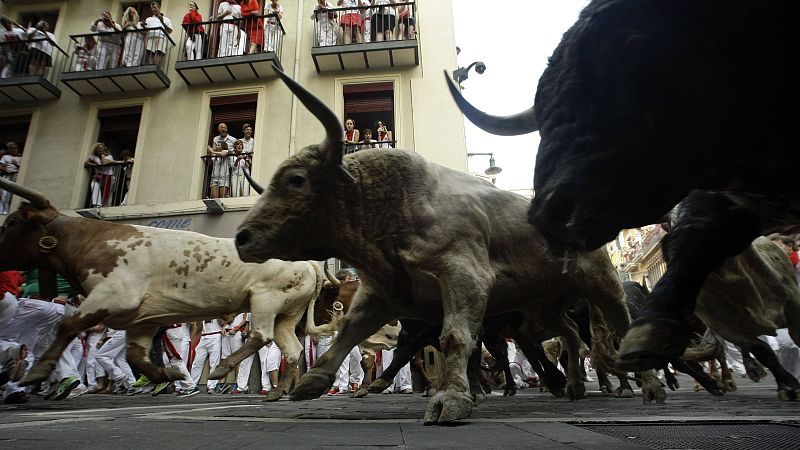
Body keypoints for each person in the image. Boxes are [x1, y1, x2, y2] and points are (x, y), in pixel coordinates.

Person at [84, 143, 120, 208]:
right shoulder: (94, 156)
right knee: (94, 186)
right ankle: (97, 205)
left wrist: (102, 155)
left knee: (107, 195)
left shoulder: (109, 156)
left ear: (104, 149)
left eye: (101, 148)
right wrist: (94, 165)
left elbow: (104, 163)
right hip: (98, 176)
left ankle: (106, 207)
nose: (99, 150)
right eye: (98, 149)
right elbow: (86, 163)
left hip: (108, 177)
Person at [0, 142, 21, 214]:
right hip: (7, 175)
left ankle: (10, 211)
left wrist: (16, 164)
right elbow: (1, 166)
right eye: (10, 148)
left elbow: (23, 168)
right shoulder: (5, 157)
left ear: (17, 148)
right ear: (8, 150)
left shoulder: (22, 157)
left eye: (14, 148)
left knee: (14, 194)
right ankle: (2, 211)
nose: (13, 150)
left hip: (17, 176)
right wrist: (6, 170)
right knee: (4, 193)